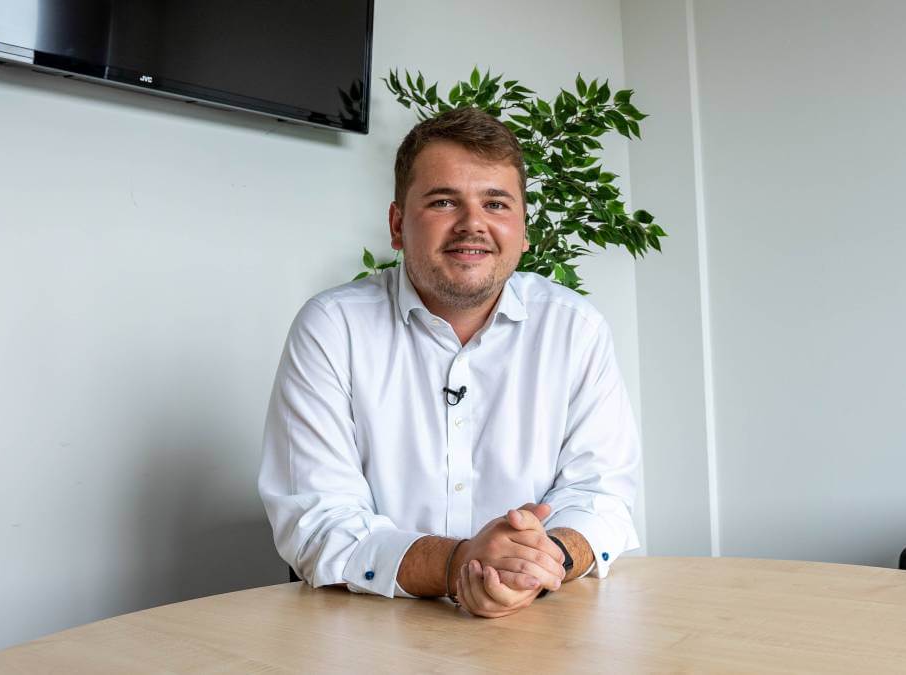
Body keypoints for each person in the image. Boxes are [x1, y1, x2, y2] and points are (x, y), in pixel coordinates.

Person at [258, 106, 640, 618]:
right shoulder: (332, 328)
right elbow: (317, 521)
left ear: (524, 231)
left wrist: (543, 559)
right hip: (372, 628)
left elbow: (603, 495)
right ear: (397, 225)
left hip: (539, 623)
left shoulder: (575, 327)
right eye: (443, 201)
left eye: (496, 203)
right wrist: (459, 564)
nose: (473, 224)